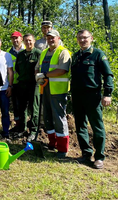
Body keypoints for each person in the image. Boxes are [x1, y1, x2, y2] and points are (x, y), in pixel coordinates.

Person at [71, 30, 113, 169]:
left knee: (97, 126)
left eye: (85, 38)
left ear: (91, 38)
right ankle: (86, 153)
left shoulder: (98, 54)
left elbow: (108, 75)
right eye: (80, 38)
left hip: (92, 95)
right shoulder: (76, 56)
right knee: (80, 125)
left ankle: (99, 157)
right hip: (77, 96)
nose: (82, 40)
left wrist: (107, 93)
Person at [35, 29, 71, 158]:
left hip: (58, 91)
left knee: (59, 118)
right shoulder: (44, 52)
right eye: (48, 38)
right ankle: (52, 143)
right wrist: (38, 76)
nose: (50, 40)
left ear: (58, 38)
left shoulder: (63, 52)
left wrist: (44, 75)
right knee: (47, 116)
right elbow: (38, 68)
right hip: (45, 89)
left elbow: (62, 70)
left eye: (52, 38)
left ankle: (62, 148)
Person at [15, 34, 41, 142]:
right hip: (22, 84)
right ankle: (22, 129)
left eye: (30, 40)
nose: (28, 43)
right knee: (22, 108)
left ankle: (34, 131)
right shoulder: (21, 55)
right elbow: (17, 68)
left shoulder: (38, 53)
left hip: (34, 85)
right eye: (26, 41)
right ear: (23, 42)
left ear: (34, 41)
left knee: (34, 108)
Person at [8, 31, 25, 133]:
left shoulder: (26, 50)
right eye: (13, 38)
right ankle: (18, 125)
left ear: (21, 38)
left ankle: (26, 126)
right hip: (14, 82)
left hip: (25, 82)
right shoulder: (8, 53)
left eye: (17, 38)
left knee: (25, 106)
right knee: (16, 106)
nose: (15, 40)